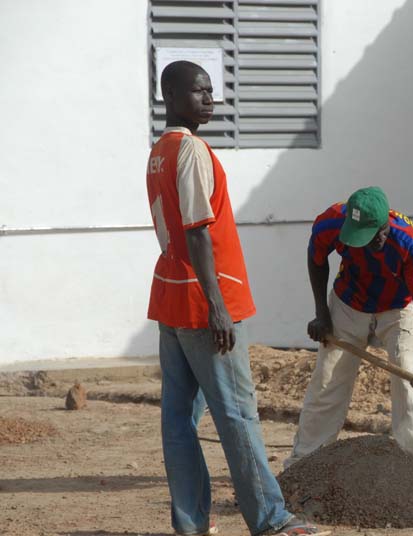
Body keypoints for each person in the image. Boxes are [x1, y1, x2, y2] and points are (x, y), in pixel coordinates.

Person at [146, 60, 324, 536]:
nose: (210, 99)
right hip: (204, 306)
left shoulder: (159, 151)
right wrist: (217, 305)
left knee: (179, 421)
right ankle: (271, 520)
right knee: (237, 414)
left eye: (211, 91)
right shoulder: (191, 151)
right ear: (173, 95)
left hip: (170, 300)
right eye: (200, 91)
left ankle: (191, 524)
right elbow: (199, 232)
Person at [284, 187, 413, 468]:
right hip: (349, 303)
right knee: (328, 380)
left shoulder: (408, 240)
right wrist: (321, 314)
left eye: (371, 239)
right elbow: (317, 259)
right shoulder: (331, 221)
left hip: (397, 308)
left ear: (385, 227)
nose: (363, 245)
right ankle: (305, 464)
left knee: (407, 379)